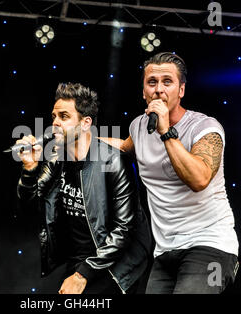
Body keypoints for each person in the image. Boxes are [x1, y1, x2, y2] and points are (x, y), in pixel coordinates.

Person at [100, 52, 239, 294]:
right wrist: (78, 141)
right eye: (152, 82)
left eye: (167, 82)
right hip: (165, 252)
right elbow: (123, 148)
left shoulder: (205, 127)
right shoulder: (139, 127)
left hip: (211, 246)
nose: (158, 89)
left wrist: (166, 132)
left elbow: (199, 179)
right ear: (143, 91)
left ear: (181, 90)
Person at [15, 82, 152, 294]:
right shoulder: (57, 159)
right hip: (80, 260)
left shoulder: (113, 162)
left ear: (85, 122)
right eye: (54, 117)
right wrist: (30, 168)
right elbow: (31, 209)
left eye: (64, 116)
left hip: (117, 262)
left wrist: (82, 275)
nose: (55, 124)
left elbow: (124, 229)